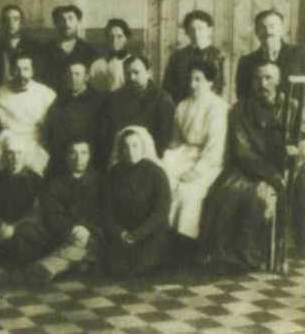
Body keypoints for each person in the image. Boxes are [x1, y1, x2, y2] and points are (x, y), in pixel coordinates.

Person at [199, 61, 303, 273]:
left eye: (268, 78)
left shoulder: (293, 107)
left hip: (283, 165)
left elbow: (301, 138)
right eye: (258, 79)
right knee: (228, 194)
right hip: (249, 167)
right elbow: (241, 151)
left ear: (278, 80)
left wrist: (298, 148)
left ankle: (266, 252)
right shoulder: (240, 109)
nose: (262, 84)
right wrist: (271, 176)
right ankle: (230, 255)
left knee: (280, 192)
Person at [162, 60, 228, 256]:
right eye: (190, 79)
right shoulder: (183, 105)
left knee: (188, 192)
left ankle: (186, 245)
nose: (192, 84)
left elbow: (216, 147)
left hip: (209, 159)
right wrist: (170, 161)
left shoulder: (218, 107)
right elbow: (175, 140)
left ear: (210, 82)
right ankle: (162, 239)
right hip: (184, 153)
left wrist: (196, 171)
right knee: (163, 181)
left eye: (198, 79)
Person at [19, 139, 103, 283]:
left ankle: (47, 267)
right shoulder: (55, 183)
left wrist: (86, 228)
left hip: (92, 233)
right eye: (73, 153)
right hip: (65, 233)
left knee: (85, 243)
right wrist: (73, 229)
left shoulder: (99, 182)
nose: (78, 158)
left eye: (83, 153)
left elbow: (102, 212)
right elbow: (53, 213)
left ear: (89, 156)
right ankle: (79, 262)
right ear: (66, 157)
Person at [103, 126, 171, 277]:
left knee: (138, 267)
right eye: (125, 146)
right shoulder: (114, 173)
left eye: (135, 146)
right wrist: (120, 233)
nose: (130, 151)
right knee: (114, 268)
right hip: (124, 233)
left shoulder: (156, 173)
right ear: (121, 149)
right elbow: (107, 210)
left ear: (143, 147)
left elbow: (161, 212)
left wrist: (138, 234)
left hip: (150, 233)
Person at [0, 131, 49, 269]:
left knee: (22, 244)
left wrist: (14, 228)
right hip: (0, 228)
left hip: (26, 228)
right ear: (4, 155)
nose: (15, 158)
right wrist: (0, 225)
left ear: (25, 155)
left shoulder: (36, 180)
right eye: (10, 153)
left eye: (19, 153)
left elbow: (36, 212)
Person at [100, 55, 175, 167]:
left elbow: (164, 139)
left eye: (136, 72)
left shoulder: (162, 99)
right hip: (119, 159)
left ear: (148, 73)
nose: (132, 77)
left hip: (150, 160)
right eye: (127, 74)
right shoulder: (113, 98)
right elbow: (106, 135)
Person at [0, 55, 56, 175]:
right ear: (11, 71)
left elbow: (49, 128)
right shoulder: (0, 95)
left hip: (36, 143)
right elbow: (1, 127)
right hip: (10, 144)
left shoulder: (45, 93)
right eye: (17, 70)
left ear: (32, 70)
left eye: (26, 69)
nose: (22, 75)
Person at [44, 59, 104, 176]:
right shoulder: (59, 101)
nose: (73, 78)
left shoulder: (99, 101)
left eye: (77, 74)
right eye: (70, 74)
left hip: (91, 161)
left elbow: (101, 136)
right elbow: (52, 132)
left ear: (86, 77)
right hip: (64, 160)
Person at [236, 9, 305, 100]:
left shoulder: (300, 53)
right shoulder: (246, 62)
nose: (268, 31)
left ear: (282, 30)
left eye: (272, 26)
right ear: (256, 32)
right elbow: (242, 96)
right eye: (262, 27)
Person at [162, 10, 226, 104]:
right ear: (187, 32)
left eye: (200, 28)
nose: (196, 33)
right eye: (192, 29)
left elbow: (220, 87)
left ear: (209, 30)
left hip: (210, 106)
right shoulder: (177, 57)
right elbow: (167, 87)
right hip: (181, 106)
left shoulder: (219, 56)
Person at [0, 5, 42, 94]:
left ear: (21, 22)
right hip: (2, 91)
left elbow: (38, 74)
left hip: (27, 91)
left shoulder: (33, 46)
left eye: (15, 19)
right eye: (7, 20)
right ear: (2, 23)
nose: (11, 23)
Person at [42, 5, 96, 93]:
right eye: (62, 19)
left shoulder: (88, 50)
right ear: (55, 23)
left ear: (78, 22)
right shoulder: (46, 49)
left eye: (70, 18)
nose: (66, 23)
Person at [88, 18, 133, 92]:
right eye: (111, 36)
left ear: (126, 39)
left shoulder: (134, 64)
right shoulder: (97, 65)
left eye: (119, 36)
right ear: (106, 38)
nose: (114, 40)